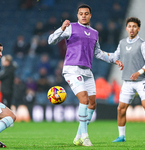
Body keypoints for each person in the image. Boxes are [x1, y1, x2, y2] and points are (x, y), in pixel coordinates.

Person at [48, 4, 123, 146]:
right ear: (77, 15)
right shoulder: (71, 28)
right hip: (72, 68)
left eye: (86, 13)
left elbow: (98, 53)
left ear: (90, 15)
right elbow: (50, 40)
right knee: (83, 99)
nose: (83, 15)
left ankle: (77, 136)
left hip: (87, 71)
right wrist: (61, 28)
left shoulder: (95, 33)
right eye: (81, 13)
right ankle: (85, 135)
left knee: (92, 103)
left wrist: (114, 59)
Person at [110, 17, 145, 143]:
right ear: (126, 28)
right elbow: (115, 56)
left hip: (142, 82)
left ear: (138, 29)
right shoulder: (122, 43)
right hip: (127, 82)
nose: (131, 28)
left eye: (134, 26)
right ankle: (121, 137)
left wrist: (138, 72)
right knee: (121, 109)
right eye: (129, 26)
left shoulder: (143, 44)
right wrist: (105, 55)